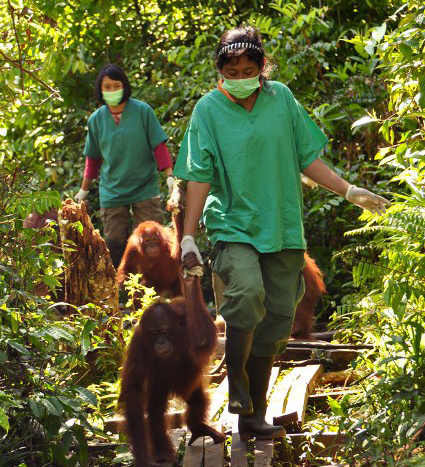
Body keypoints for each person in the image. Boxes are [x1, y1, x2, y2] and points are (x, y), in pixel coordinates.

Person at [173, 25, 390, 440]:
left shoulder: (281, 100)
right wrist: (187, 236)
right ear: (220, 70)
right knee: (246, 295)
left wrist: (348, 190)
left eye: (248, 68)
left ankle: (253, 417)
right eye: (231, 70)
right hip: (233, 225)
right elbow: (199, 175)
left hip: (282, 225)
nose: (240, 77)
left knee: (276, 321)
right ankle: (237, 386)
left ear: (262, 67)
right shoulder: (208, 110)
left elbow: (306, 157)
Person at [75, 63, 174, 268]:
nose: (112, 90)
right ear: (100, 90)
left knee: (152, 239)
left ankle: (153, 287)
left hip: (144, 187)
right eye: (107, 87)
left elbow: (158, 146)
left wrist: (169, 176)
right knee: (114, 241)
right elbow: (93, 159)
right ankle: (121, 288)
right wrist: (83, 190)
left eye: (116, 85)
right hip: (113, 190)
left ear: (124, 86)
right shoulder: (97, 120)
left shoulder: (142, 111)